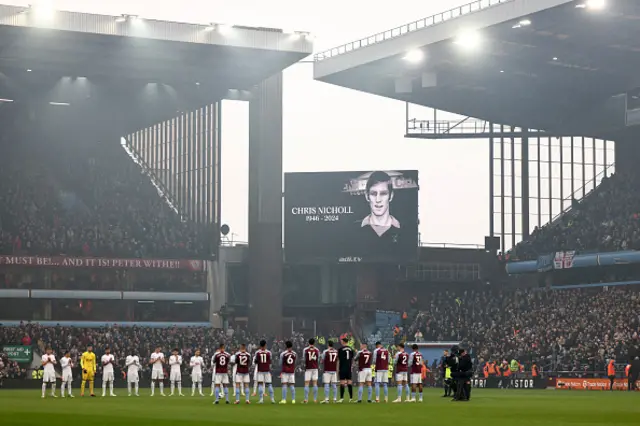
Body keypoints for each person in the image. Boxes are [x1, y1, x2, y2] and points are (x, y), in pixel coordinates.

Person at [358, 171, 402, 246]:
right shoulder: (354, 231)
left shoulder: (405, 231)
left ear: (391, 196)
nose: (378, 200)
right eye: (373, 194)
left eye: (383, 193)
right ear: (367, 196)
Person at [253, 339, 275, 404]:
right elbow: (270, 362)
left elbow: (255, 362)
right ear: (265, 345)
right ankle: (272, 399)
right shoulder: (269, 352)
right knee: (269, 385)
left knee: (260, 385)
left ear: (260, 345)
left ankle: (261, 400)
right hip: (267, 371)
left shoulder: (257, 353)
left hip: (260, 371)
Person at [338, 337, 355, 402]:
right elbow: (352, 358)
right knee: (349, 382)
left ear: (343, 342)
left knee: (342, 383)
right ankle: (351, 398)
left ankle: (341, 398)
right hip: (348, 367)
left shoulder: (340, 349)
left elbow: (339, 359)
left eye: (341, 341)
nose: (341, 342)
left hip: (342, 367)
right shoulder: (351, 349)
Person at [303, 338, 320, 404]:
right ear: (314, 343)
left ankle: (306, 399)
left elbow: (304, 358)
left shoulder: (305, 350)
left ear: (308, 343)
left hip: (308, 368)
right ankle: (315, 399)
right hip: (315, 368)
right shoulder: (317, 350)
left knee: (307, 383)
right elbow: (318, 359)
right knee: (315, 383)